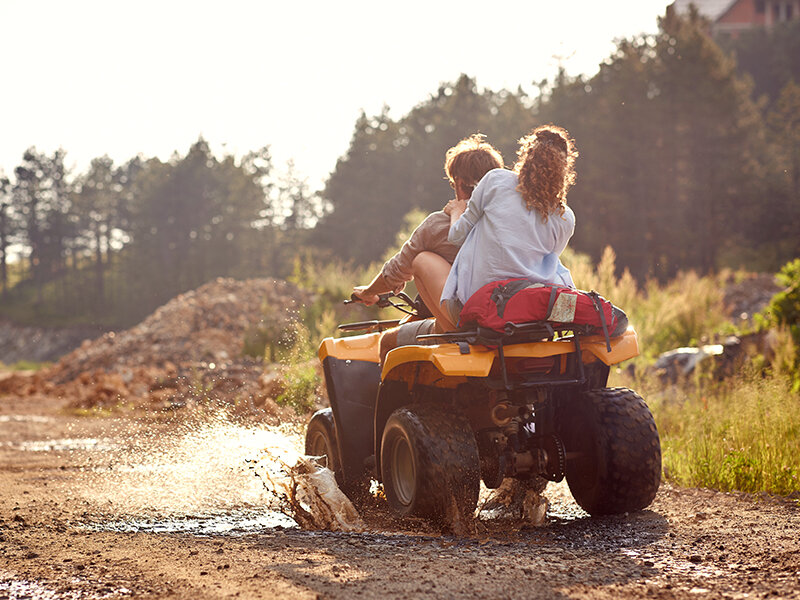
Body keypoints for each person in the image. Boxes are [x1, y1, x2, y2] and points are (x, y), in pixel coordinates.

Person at [352, 134, 504, 359]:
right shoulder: (512, 223)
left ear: (460, 184)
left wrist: (369, 292)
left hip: (469, 323)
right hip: (508, 318)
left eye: (454, 183)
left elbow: (395, 271)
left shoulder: (438, 226)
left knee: (387, 342)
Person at [414, 125, 578, 330]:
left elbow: (456, 236)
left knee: (421, 261)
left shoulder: (496, 180)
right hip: (532, 316)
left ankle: (457, 333)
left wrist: (456, 211)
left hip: (481, 310)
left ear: (526, 154)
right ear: (564, 170)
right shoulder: (565, 217)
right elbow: (547, 260)